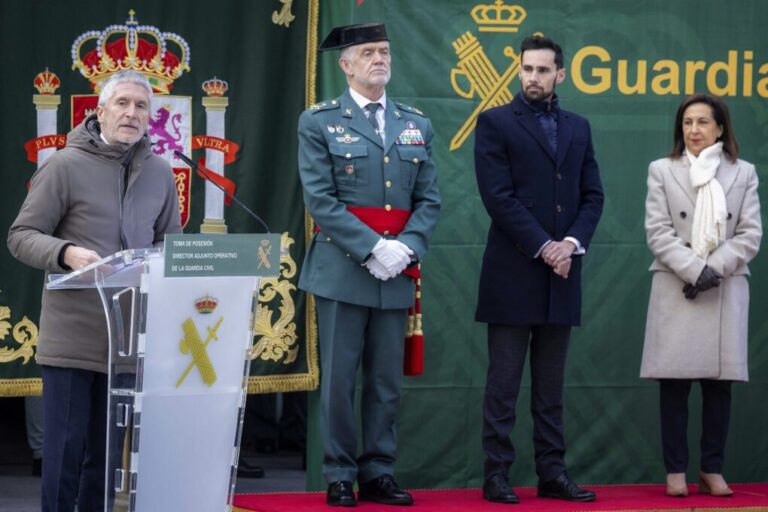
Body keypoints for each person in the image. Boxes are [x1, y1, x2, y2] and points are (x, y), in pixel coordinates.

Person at [7, 70, 181, 511]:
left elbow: (169, 247)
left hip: (128, 341)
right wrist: (65, 253)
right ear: (99, 111)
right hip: (73, 339)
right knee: (64, 456)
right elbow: (21, 235)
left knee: (105, 463)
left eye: (141, 106)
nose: (131, 113)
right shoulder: (63, 166)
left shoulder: (162, 173)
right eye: (121, 103)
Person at [297, 23, 440, 507]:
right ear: (346, 64)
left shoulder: (415, 123)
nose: (380, 59)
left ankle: (379, 471)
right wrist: (374, 247)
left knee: (385, 380)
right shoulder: (318, 121)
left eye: (384, 51)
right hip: (342, 268)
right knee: (340, 380)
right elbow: (320, 199)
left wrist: (406, 247)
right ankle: (339, 473)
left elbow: (430, 200)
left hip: (398, 270)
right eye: (368, 52)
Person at [473, 35, 603, 504]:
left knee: (551, 390)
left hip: (564, 273)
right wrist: (545, 246)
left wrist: (570, 244)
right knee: (503, 386)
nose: (533, 77)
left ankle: (552, 474)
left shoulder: (579, 127)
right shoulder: (493, 123)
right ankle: (496, 475)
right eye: (527, 69)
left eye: (543, 70)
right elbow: (498, 198)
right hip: (512, 273)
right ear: (518, 71)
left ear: (559, 75)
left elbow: (594, 196)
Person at [641, 93, 761, 498]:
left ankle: (712, 469)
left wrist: (715, 269)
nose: (693, 130)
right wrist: (695, 270)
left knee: (718, 386)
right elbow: (658, 231)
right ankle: (675, 470)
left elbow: (750, 234)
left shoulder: (743, 172)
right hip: (678, 285)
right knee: (673, 385)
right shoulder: (662, 169)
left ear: (720, 128)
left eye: (702, 122)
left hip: (724, 286)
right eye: (687, 122)